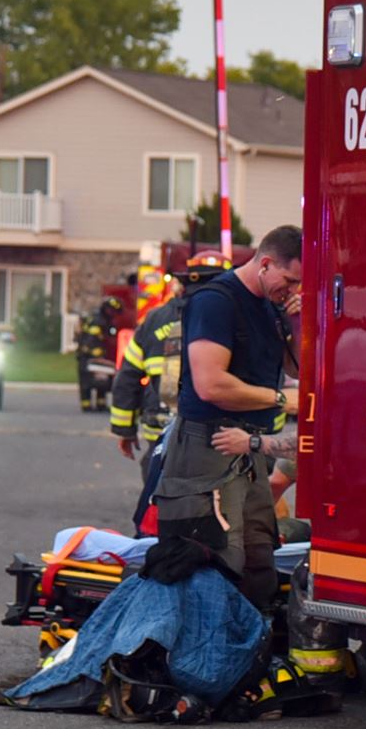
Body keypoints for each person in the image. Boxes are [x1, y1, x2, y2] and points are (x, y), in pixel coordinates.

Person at [152, 227, 302, 610]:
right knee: (213, 559)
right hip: (207, 447)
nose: (292, 290)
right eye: (289, 280)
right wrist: (281, 400)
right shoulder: (216, 302)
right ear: (266, 263)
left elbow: (298, 368)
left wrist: (298, 321)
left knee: (258, 560)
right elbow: (211, 384)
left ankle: (247, 651)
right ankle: (198, 658)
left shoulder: (272, 307)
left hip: (247, 450)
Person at [109, 254, 228, 459]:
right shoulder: (235, 316)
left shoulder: (154, 319)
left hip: (161, 432)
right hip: (223, 437)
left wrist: (125, 430)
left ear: (182, 284)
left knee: (158, 488)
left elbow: (128, 376)